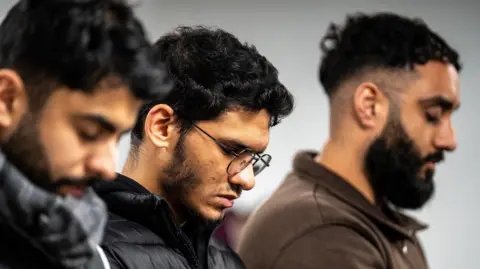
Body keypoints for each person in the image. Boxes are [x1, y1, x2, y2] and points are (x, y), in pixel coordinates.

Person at [237, 12, 461, 269]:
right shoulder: (321, 237)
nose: (449, 140)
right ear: (369, 106)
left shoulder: (373, 223)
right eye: (433, 115)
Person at [93, 25, 295, 269]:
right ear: (162, 127)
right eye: (231, 150)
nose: (247, 180)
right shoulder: (89, 253)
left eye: (252, 159)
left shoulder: (225, 260)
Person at [0, 0, 171, 268]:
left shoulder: (80, 240)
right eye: (89, 133)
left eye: (118, 138)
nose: (107, 167)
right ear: (7, 99)